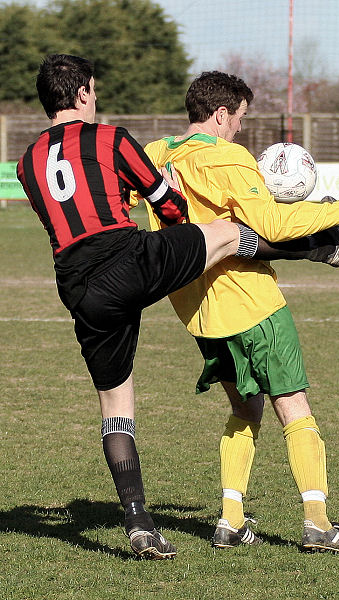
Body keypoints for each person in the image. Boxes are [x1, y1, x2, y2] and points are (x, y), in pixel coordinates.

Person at [16, 55, 268, 561]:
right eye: (95, 89)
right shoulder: (110, 137)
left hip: (77, 285)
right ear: (84, 93)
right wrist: (182, 234)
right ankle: (317, 244)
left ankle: (138, 523)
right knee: (221, 233)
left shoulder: (26, 162)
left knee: (115, 405)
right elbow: (166, 202)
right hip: (126, 257)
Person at [135, 70, 339, 554]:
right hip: (252, 303)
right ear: (221, 114)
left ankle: (230, 520)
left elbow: (122, 194)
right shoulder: (228, 157)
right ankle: (318, 524)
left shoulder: (157, 154)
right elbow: (273, 224)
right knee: (294, 408)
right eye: (239, 118)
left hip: (197, 310)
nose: (240, 128)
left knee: (244, 408)